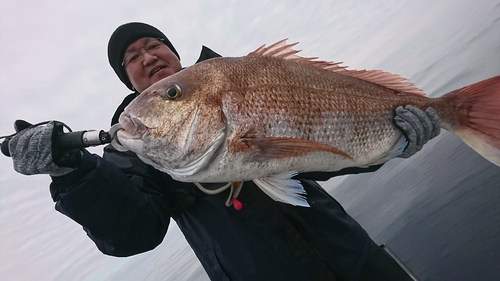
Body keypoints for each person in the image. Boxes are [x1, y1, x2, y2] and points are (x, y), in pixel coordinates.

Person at [8, 22, 440, 280]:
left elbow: (321, 152)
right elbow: (132, 234)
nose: (146, 56)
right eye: (131, 58)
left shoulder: (241, 82)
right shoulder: (132, 151)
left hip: (353, 256)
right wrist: (75, 175)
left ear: (173, 53)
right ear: (130, 82)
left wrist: (391, 145)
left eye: (153, 45)